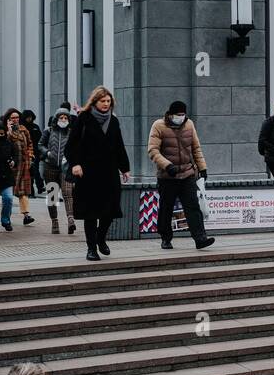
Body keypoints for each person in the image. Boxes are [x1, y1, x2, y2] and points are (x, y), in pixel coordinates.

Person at [64, 85, 131, 261]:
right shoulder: (83, 119)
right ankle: (91, 248)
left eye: (108, 101)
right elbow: (71, 145)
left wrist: (125, 168)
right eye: (103, 101)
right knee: (91, 213)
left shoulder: (113, 121)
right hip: (88, 173)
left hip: (109, 172)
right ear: (95, 101)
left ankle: (101, 239)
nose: (106, 104)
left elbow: (119, 146)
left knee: (109, 211)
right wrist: (75, 164)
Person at [147, 100, 216, 251]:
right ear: (170, 114)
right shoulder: (159, 126)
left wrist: (202, 167)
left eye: (183, 114)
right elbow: (153, 150)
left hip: (187, 174)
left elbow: (196, 148)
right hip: (167, 176)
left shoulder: (189, 124)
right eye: (178, 114)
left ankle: (200, 238)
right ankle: (166, 238)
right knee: (166, 208)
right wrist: (167, 165)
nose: (181, 117)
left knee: (193, 207)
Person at [38, 108, 76, 235]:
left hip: (65, 168)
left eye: (66, 118)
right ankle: (54, 221)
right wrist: (47, 152)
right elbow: (40, 145)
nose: (63, 120)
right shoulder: (48, 131)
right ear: (56, 119)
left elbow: (76, 147)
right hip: (50, 167)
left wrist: (70, 157)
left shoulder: (71, 133)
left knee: (68, 193)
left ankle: (71, 220)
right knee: (52, 196)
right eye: (61, 118)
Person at [3, 108, 36, 225]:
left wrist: (31, 155)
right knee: (8, 193)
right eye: (13, 118)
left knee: (23, 191)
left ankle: (26, 215)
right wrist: (9, 130)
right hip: (11, 165)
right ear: (8, 119)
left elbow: (30, 143)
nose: (15, 120)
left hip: (24, 163)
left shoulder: (23, 129)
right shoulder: (5, 130)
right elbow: (5, 142)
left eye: (17, 117)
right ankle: (6, 217)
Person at [22, 110, 44, 196]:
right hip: (25, 152)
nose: (29, 119)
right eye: (27, 117)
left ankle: (39, 186)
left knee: (35, 170)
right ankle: (32, 190)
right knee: (29, 171)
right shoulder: (22, 127)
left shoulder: (35, 127)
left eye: (30, 117)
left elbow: (40, 139)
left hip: (35, 152)